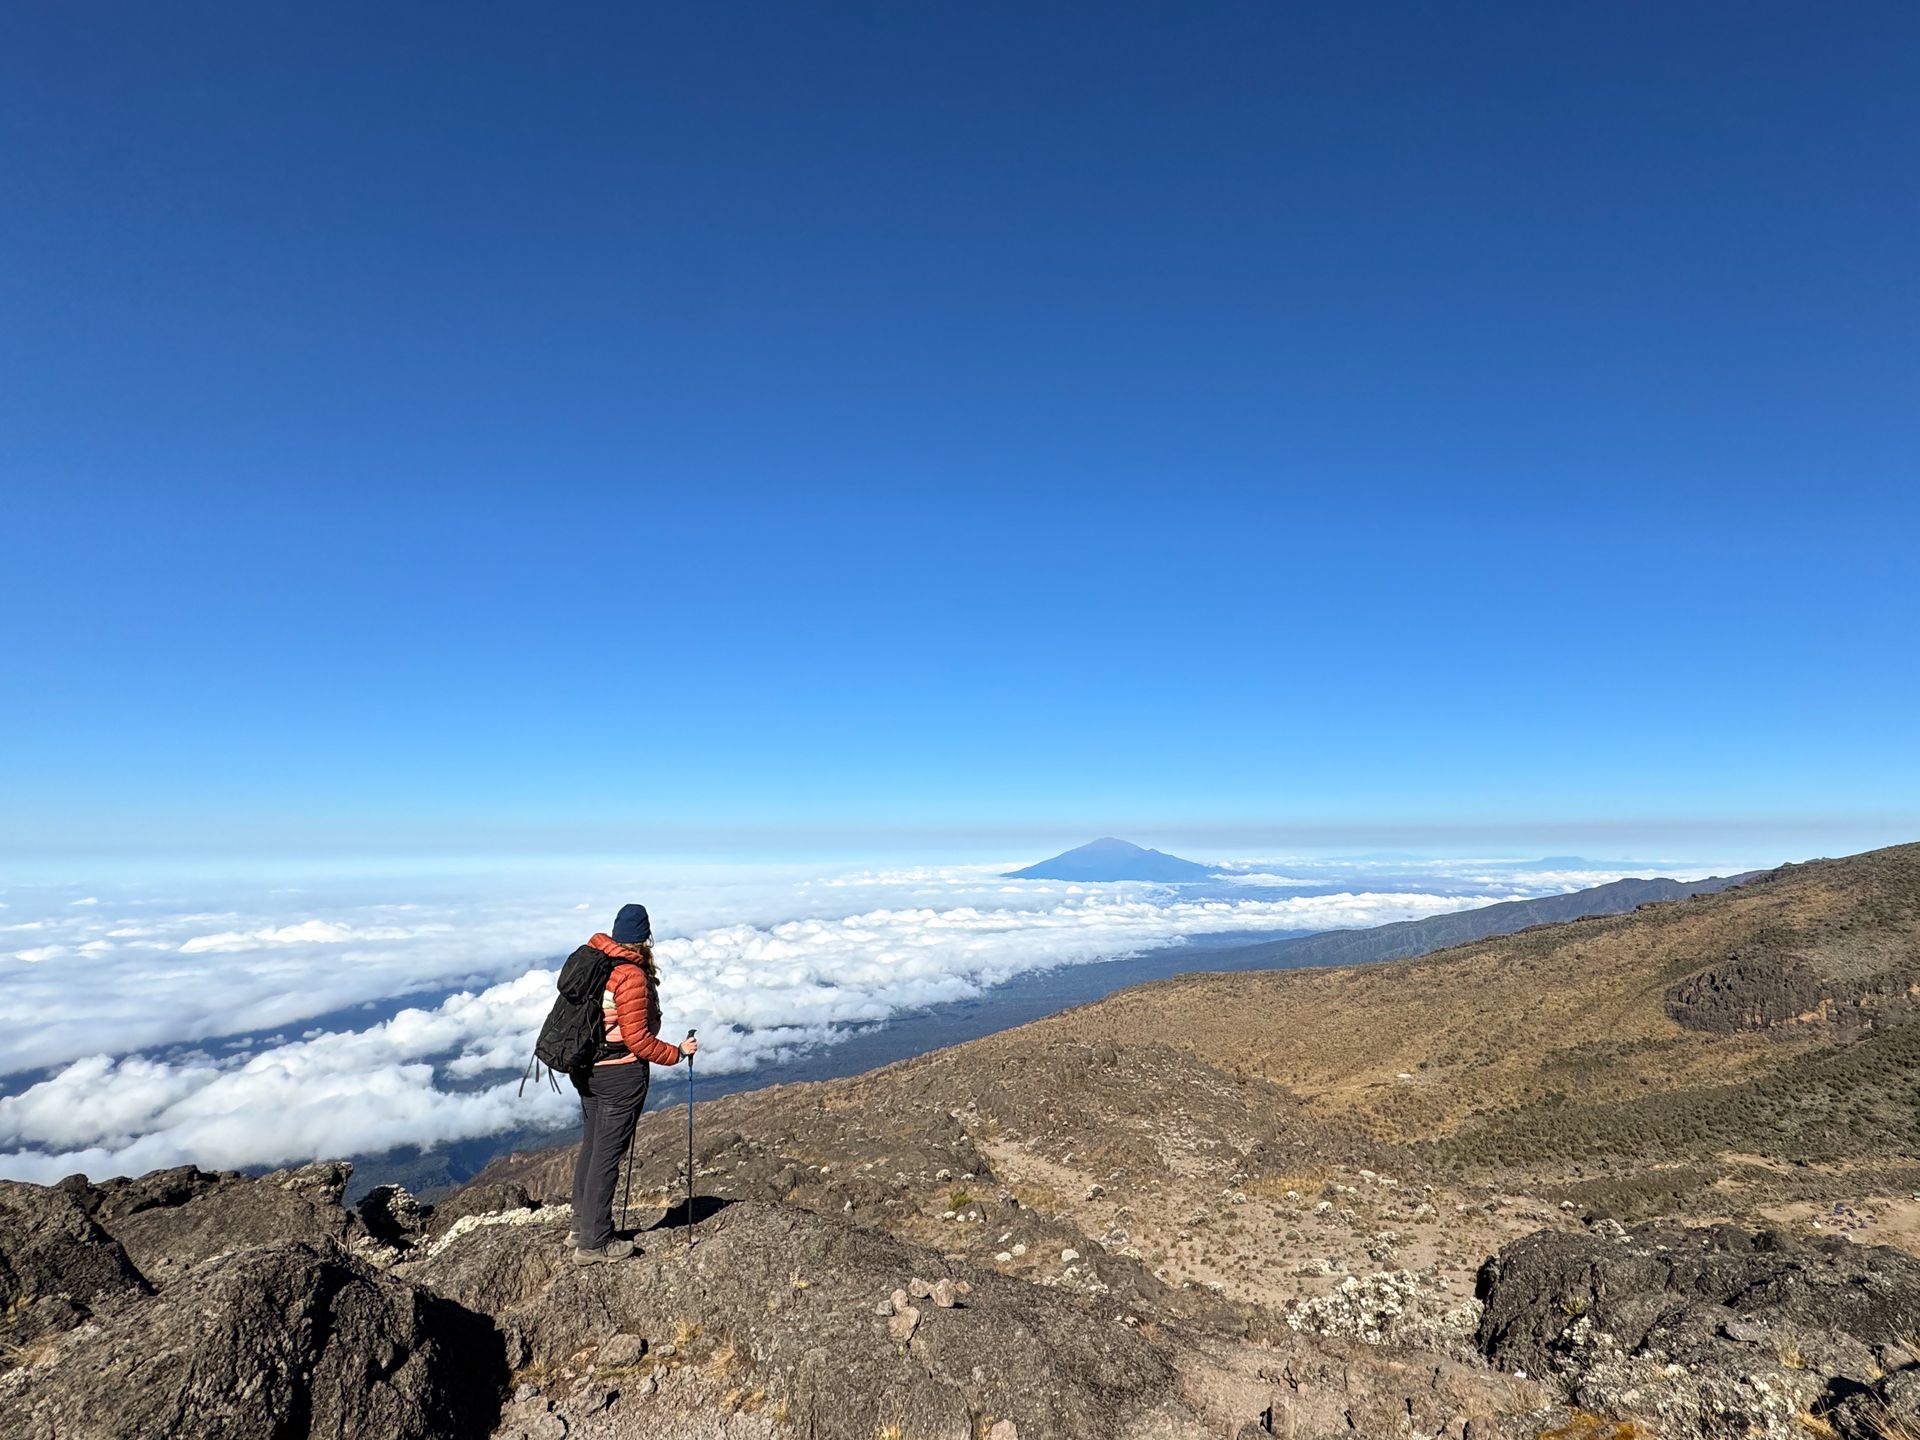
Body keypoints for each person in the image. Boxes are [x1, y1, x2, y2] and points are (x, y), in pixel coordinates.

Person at [567, 902, 696, 1263]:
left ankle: (581, 1226)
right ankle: (594, 1243)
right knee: (607, 1156)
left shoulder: (595, 962)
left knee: (592, 1147)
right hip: (618, 1075)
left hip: (587, 1069)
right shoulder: (630, 976)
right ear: (645, 937)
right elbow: (637, 1039)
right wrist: (678, 1052)